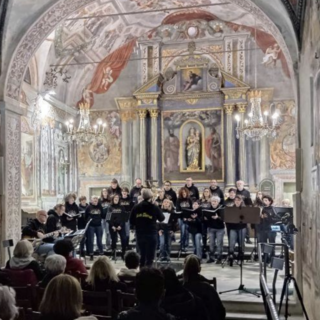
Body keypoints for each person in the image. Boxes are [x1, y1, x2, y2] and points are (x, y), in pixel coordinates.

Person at [182, 255, 226, 320]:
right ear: (199, 269)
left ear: (184, 267)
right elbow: (220, 311)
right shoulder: (208, 288)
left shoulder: (179, 287)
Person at [130, 189, 165, 267]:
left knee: (142, 255)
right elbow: (162, 218)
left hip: (140, 234)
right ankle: (148, 275)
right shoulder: (154, 207)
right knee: (150, 258)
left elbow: (131, 221)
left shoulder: (136, 207)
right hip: (151, 234)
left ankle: (141, 273)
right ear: (151, 196)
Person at [228, 195, 247, 266]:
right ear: (234, 201)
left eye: (238, 200)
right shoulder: (231, 209)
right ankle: (231, 257)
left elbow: (247, 219)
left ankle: (241, 258)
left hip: (242, 227)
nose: (237, 201)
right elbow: (228, 218)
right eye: (236, 200)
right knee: (231, 243)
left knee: (241, 243)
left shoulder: (244, 209)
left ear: (241, 201)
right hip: (233, 228)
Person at [205, 196, 225, 264]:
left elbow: (224, 219)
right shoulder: (208, 209)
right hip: (211, 228)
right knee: (211, 244)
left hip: (220, 229)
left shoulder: (221, 209)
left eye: (215, 201)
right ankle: (212, 258)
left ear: (218, 202)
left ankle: (219, 258)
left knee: (219, 244)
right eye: (212, 201)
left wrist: (218, 217)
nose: (213, 202)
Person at [85, 195, 105, 260]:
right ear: (91, 200)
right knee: (91, 240)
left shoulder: (100, 207)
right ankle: (91, 254)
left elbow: (103, 215)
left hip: (99, 225)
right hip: (91, 226)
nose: (95, 199)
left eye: (96, 198)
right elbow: (85, 216)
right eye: (94, 198)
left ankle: (101, 253)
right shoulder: (88, 207)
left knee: (99, 240)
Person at [108, 194, 127, 259]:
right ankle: (113, 254)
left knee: (124, 239)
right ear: (113, 199)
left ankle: (123, 253)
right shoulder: (110, 207)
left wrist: (120, 226)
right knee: (113, 240)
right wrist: (112, 226)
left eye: (117, 197)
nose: (116, 198)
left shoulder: (122, 207)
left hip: (120, 225)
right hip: (112, 226)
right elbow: (108, 218)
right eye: (115, 197)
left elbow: (124, 218)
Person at [176, 187, 193, 252]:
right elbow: (178, 209)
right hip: (181, 218)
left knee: (187, 232)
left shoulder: (189, 200)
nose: (184, 193)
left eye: (185, 192)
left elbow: (191, 209)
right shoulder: (178, 200)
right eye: (182, 192)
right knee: (182, 232)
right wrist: (183, 217)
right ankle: (182, 246)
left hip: (188, 218)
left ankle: (186, 245)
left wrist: (188, 217)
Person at [200, 188, 212, 256]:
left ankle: (210, 248)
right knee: (203, 234)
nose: (206, 193)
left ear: (209, 192)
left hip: (210, 220)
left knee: (210, 234)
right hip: (203, 220)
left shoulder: (212, 200)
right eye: (205, 191)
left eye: (207, 191)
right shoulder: (200, 201)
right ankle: (204, 247)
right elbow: (199, 210)